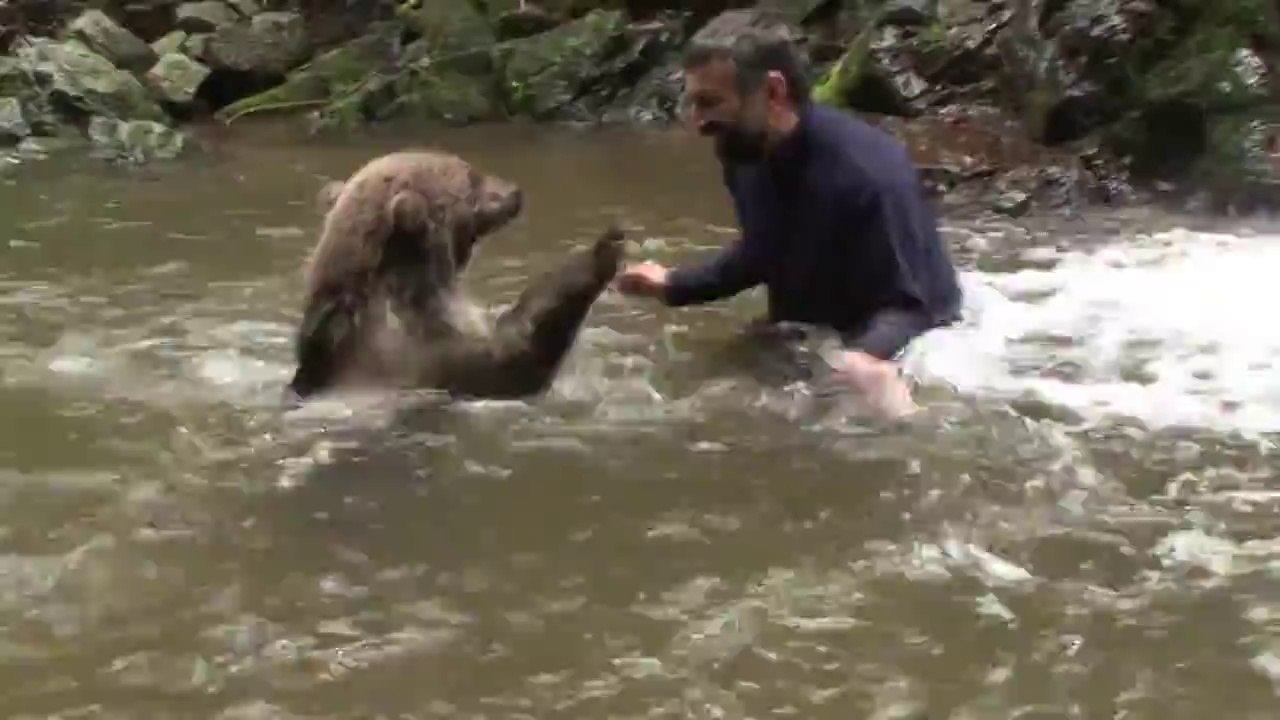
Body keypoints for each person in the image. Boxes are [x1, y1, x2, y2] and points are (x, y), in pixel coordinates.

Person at [614, 12, 964, 419]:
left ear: (773, 91)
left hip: (920, 343)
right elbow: (765, 250)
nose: (697, 122)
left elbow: (913, 306)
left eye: (709, 103)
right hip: (813, 334)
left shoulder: (870, 176)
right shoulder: (743, 154)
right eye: (691, 102)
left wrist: (866, 358)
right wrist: (675, 285)